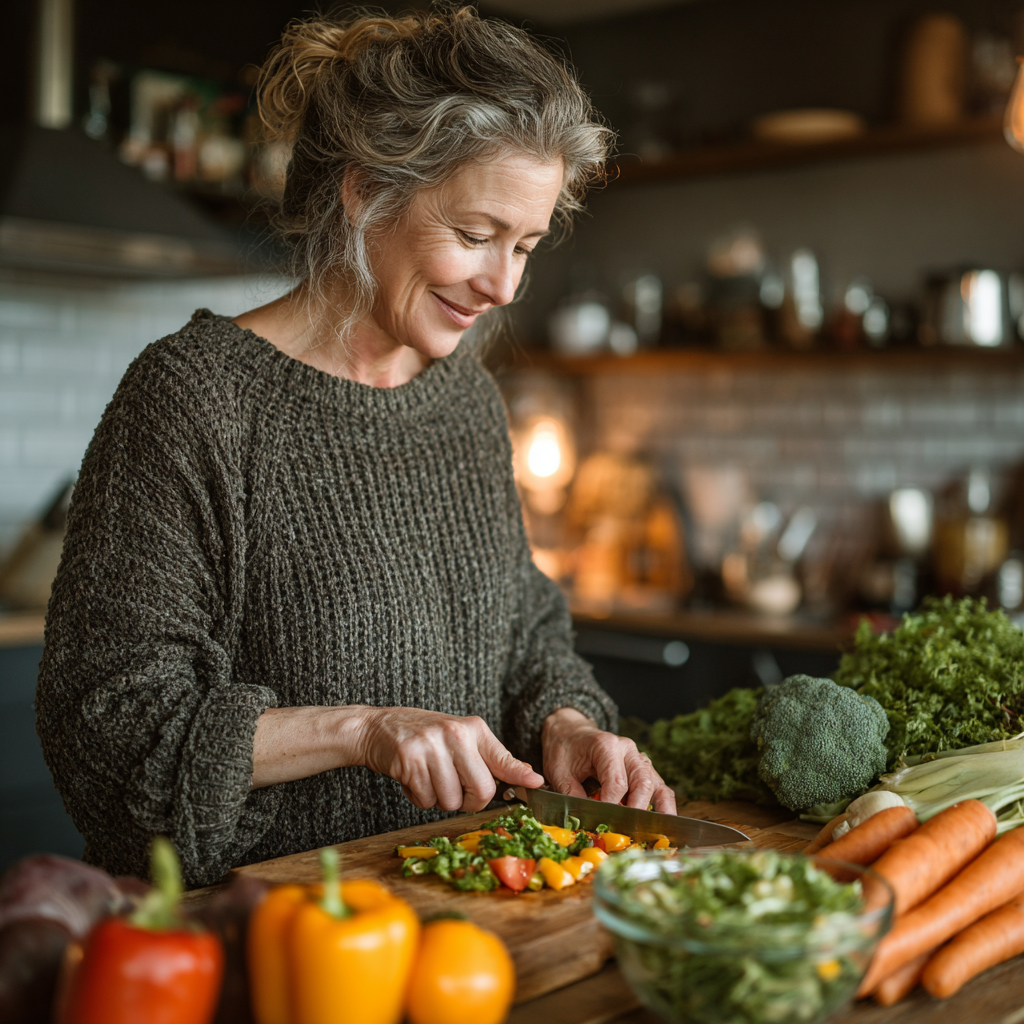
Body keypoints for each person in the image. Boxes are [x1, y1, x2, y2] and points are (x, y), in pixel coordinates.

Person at [37, 6, 675, 888]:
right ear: (365, 189)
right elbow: (107, 731)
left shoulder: (466, 404)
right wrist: (365, 732)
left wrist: (566, 721)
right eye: (476, 235)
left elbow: (524, 630)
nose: (502, 284)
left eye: (525, 246)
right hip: (247, 938)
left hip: (457, 926)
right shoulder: (192, 400)